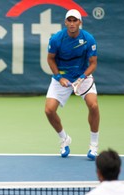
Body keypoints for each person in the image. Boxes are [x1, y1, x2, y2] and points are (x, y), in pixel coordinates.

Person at [45, 9, 100, 160]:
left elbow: (93, 63)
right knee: (49, 110)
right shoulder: (56, 39)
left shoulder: (88, 39)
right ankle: (64, 139)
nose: (72, 23)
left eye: (75, 20)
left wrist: (82, 77)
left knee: (93, 106)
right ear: (65, 22)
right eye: (69, 20)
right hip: (62, 78)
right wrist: (58, 77)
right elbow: (50, 59)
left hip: (83, 77)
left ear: (80, 22)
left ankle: (94, 145)